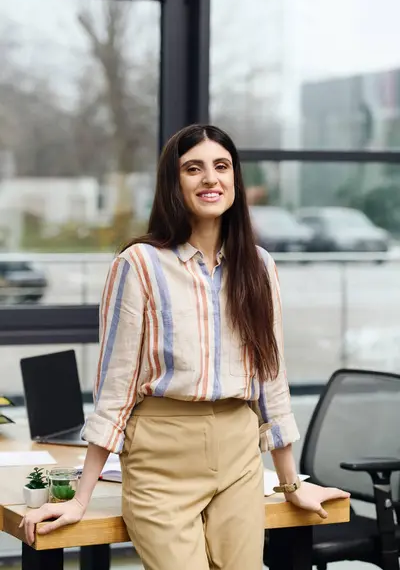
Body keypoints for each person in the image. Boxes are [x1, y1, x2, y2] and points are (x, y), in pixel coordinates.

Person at [20, 124, 349, 569]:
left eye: (221, 166)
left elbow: (271, 378)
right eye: (193, 168)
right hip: (161, 457)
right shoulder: (138, 265)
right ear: (174, 184)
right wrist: (81, 499)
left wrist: (291, 484)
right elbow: (117, 386)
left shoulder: (259, 266)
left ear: (235, 179)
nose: (210, 179)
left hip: (238, 455)